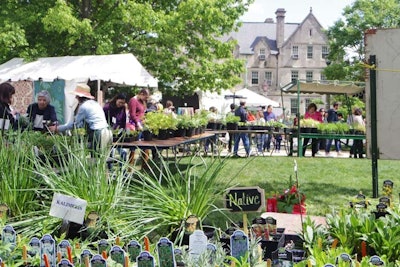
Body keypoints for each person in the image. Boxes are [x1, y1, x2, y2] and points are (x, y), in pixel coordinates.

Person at [49, 84, 112, 154]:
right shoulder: (95, 103)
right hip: (108, 131)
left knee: (95, 157)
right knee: (105, 157)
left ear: (79, 97)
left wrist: (58, 128)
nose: (76, 97)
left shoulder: (84, 107)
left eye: (77, 96)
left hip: (98, 133)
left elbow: (74, 124)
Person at [103, 93, 128, 167]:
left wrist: (123, 129)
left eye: (123, 103)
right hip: (108, 132)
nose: (121, 104)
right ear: (116, 100)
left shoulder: (122, 108)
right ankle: (110, 172)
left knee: (123, 153)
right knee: (110, 154)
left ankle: (122, 171)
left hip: (118, 133)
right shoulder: (107, 107)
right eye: (120, 102)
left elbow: (123, 119)